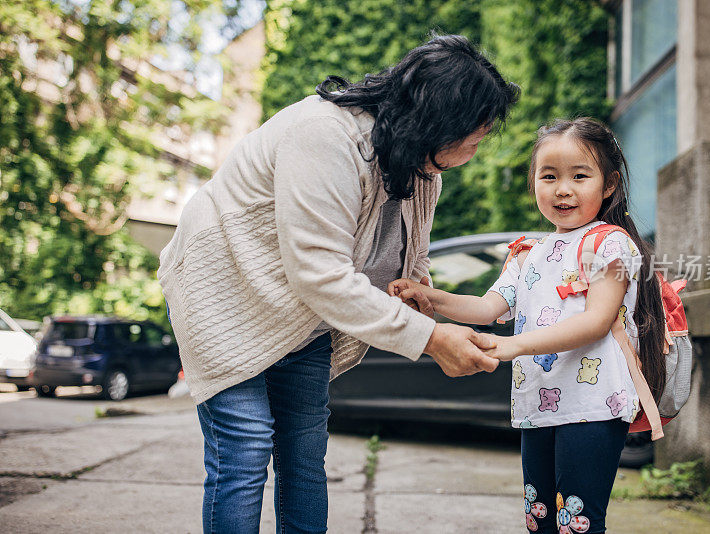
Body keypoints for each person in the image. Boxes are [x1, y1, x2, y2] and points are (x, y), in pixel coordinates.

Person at [157, 35, 519, 533]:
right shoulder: (324, 135)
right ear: (439, 121)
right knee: (246, 449)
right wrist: (432, 340)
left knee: (304, 453)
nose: (476, 150)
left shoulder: (422, 171)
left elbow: (407, 262)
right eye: (474, 138)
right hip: (224, 297)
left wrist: (425, 302)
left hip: (300, 317)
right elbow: (321, 274)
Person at [390, 118, 666, 534]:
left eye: (579, 176)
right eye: (549, 176)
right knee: (540, 520)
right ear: (533, 182)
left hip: (595, 406)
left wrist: (513, 346)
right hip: (537, 405)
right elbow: (487, 307)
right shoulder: (527, 254)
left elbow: (595, 322)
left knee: (579, 523)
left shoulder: (611, 243)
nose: (563, 189)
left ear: (608, 185)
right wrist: (431, 296)